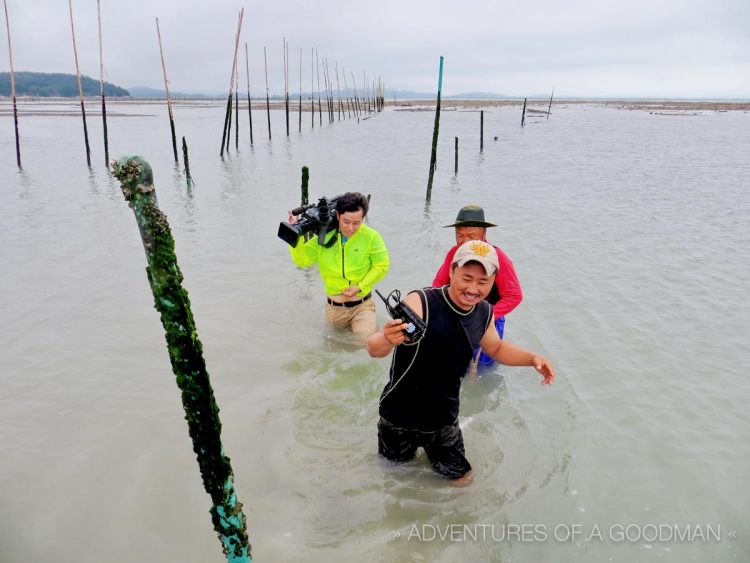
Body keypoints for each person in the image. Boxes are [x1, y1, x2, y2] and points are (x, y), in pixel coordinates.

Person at [368, 240, 554, 484]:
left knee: (462, 482)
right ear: (452, 271)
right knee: (394, 479)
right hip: (398, 416)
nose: (473, 288)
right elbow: (374, 349)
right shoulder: (421, 302)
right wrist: (386, 337)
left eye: (482, 282)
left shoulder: (484, 312)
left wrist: (532, 358)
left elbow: (496, 347)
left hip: (443, 418)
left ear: (493, 280)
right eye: (466, 278)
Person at [287, 192, 389, 340]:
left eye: (356, 223)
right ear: (338, 216)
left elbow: (382, 265)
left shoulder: (372, 237)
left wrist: (360, 286)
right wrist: (295, 236)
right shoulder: (323, 238)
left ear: (363, 218)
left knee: (364, 344)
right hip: (334, 309)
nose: (351, 228)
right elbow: (303, 261)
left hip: (362, 306)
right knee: (334, 352)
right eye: (346, 221)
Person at [433, 204, 522, 368]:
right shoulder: (454, 253)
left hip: (489, 318)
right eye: (460, 235)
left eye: (471, 236)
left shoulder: (498, 258)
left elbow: (514, 296)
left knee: (482, 368)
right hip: (458, 314)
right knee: (451, 362)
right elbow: (438, 285)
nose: (464, 241)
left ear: (484, 233)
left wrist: (485, 317)